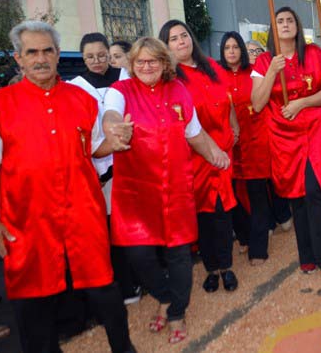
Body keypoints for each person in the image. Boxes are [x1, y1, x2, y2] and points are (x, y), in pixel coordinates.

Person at [0, 21, 134, 353]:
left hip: (83, 213)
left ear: (58, 54)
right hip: (26, 219)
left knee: (104, 288)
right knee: (33, 301)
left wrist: (116, 143)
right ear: (19, 58)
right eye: (32, 52)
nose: (41, 58)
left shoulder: (83, 99)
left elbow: (95, 147)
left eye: (47, 50)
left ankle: (124, 348)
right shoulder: (0, 105)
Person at [104, 36, 228, 345]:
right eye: (140, 62)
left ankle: (176, 312)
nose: (147, 67)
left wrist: (216, 153)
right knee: (139, 254)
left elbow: (194, 133)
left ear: (164, 64)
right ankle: (163, 295)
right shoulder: (120, 91)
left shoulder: (179, 91)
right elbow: (111, 114)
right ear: (132, 65)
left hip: (176, 188)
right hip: (135, 194)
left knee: (179, 254)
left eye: (153, 61)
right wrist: (115, 127)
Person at [251, 6, 321, 277]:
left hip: (313, 128)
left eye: (291, 20)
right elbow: (257, 103)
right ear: (273, 28)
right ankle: (307, 256)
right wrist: (270, 73)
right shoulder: (265, 62)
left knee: (312, 190)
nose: (286, 24)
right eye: (280, 21)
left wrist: (301, 103)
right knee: (296, 194)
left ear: (298, 27)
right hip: (282, 133)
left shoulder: (313, 54)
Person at [160, 20, 239, 294]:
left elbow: (228, 101)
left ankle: (226, 267)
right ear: (166, 46)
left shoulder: (214, 68)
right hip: (194, 156)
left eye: (184, 35)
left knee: (223, 212)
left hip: (223, 151)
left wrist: (235, 127)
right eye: (173, 39)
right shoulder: (169, 78)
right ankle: (211, 269)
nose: (181, 41)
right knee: (203, 215)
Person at [68, 33, 140, 306]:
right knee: (112, 226)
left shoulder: (127, 76)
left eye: (101, 55)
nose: (97, 61)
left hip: (134, 159)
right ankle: (125, 282)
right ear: (82, 57)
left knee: (138, 220)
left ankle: (148, 274)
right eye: (90, 57)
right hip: (101, 165)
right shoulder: (75, 86)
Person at [219, 31, 274, 265]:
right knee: (230, 196)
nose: (232, 51)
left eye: (235, 47)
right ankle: (243, 235)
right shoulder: (215, 76)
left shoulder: (254, 73)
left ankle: (258, 248)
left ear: (242, 50)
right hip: (228, 145)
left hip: (256, 141)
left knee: (257, 194)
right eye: (227, 48)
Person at [247, 39, 293, 232]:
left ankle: (283, 214)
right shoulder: (243, 75)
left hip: (272, 130)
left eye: (257, 50)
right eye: (250, 51)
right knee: (257, 184)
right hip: (249, 137)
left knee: (276, 177)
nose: (255, 53)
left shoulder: (268, 67)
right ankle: (266, 222)